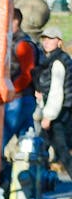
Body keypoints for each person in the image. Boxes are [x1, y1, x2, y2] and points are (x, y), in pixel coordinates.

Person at [0, 8, 41, 197]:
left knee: (1, 143)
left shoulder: (22, 44)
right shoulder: (19, 41)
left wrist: (12, 92)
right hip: (24, 99)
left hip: (19, 100)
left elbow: (27, 73)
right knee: (26, 149)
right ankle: (19, 190)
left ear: (15, 21)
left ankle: (6, 186)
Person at [34, 26, 72, 182]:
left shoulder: (57, 62)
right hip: (63, 111)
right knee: (43, 147)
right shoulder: (58, 59)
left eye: (51, 39)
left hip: (58, 114)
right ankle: (39, 185)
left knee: (61, 152)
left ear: (59, 42)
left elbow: (57, 91)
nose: (47, 42)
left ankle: (36, 186)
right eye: (45, 39)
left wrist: (48, 116)